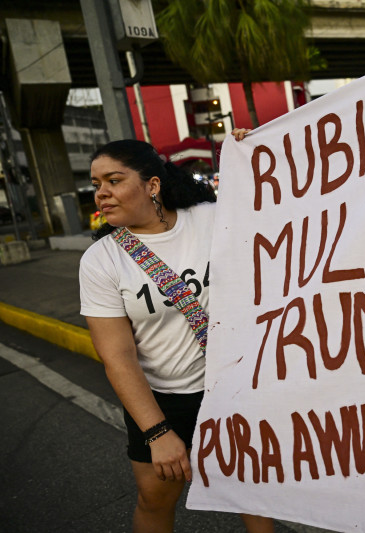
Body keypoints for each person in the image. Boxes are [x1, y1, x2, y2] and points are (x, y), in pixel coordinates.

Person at [79, 140, 274, 533]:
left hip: (233, 388)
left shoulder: (211, 218)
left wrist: (258, 149)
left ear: (152, 185)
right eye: (97, 183)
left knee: (252, 493)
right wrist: (157, 431)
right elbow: (118, 355)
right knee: (155, 498)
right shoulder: (102, 260)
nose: (101, 192)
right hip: (163, 401)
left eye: (114, 180)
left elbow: (281, 212)